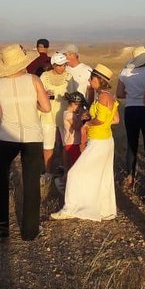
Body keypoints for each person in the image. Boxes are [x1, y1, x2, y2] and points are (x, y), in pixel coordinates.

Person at [0, 44, 51, 242]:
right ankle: (30, 231)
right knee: (31, 183)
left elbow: (0, 114)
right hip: (32, 137)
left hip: (7, 136)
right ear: (23, 62)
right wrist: (40, 99)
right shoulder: (33, 80)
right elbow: (46, 108)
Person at [50, 64, 119, 221]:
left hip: (98, 141)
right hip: (106, 139)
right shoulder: (110, 96)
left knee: (75, 173)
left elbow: (100, 120)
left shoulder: (102, 97)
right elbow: (115, 119)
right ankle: (103, 209)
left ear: (99, 80)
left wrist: (88, 123)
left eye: (92, 78)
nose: (89, 81)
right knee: (101, 175)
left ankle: (71, 208)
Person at [117, 46, 145, 200]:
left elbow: (119, 94)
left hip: (131, 109)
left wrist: (132, 93)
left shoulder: (124, 73)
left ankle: (129, 177)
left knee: (131, 144)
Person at [38, 52, 73, 183]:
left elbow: (75, 96)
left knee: (66, 144)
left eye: (64, 65)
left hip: (65, 115)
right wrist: (45, 94)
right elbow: (38, 93)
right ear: (53, 65)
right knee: (48, 145)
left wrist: (68, 97)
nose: (62, 68)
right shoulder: (44, 76)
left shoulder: (69, 76)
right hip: (48, 115)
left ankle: (66, 171)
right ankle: (48, 172)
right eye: (59, 65)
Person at [61, 91, 86, 170]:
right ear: (73, 104)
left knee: (74, 165)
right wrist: (81, 117)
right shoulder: (67, 114)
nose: (79, 108)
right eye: (79, 106)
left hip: (75, 143)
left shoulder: (74, 114)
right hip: (71, 143)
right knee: (76, 166)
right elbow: (76, 127)